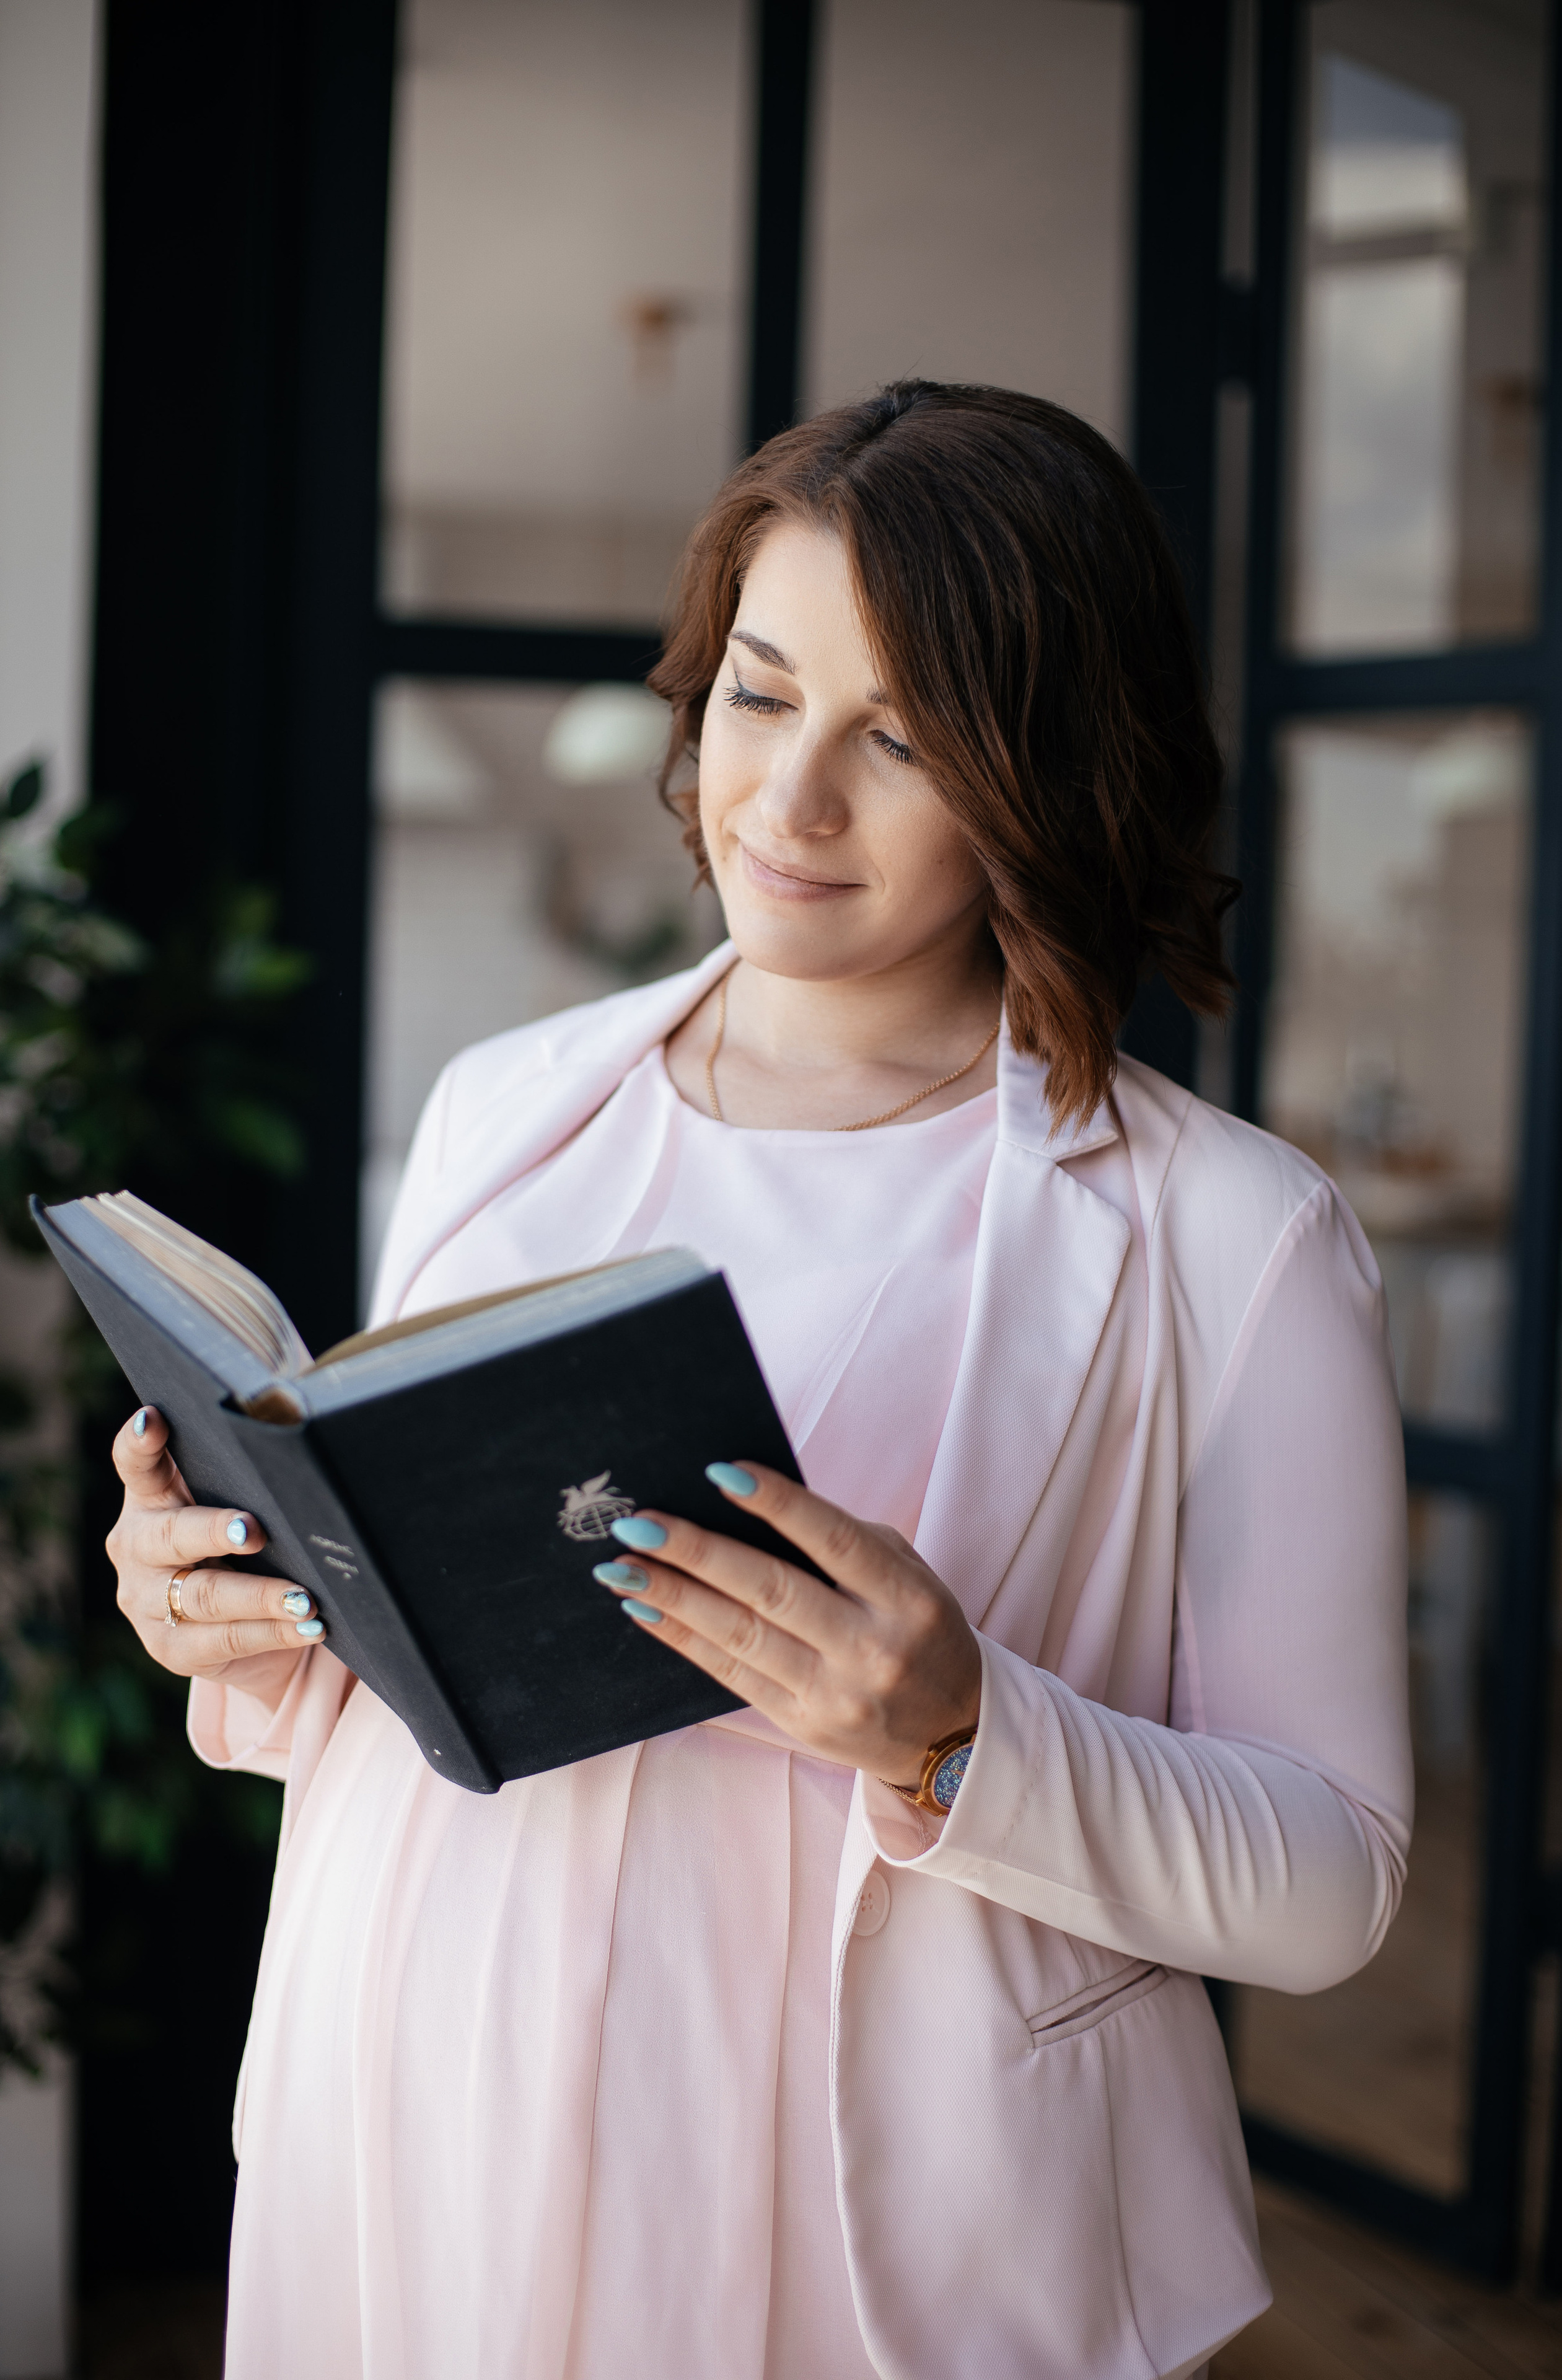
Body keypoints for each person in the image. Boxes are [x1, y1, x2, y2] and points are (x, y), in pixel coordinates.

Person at [104, 382, 1410, 2380]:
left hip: (855, 2179)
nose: (788, 805)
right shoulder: (508, 1108)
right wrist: (242, 1614)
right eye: (756, 693)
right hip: (420, 2088)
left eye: (898, 740)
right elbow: (443, 1641)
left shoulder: (1236, 1237)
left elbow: (1331, 1882)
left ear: (1052, 777)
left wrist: (963, 1731)